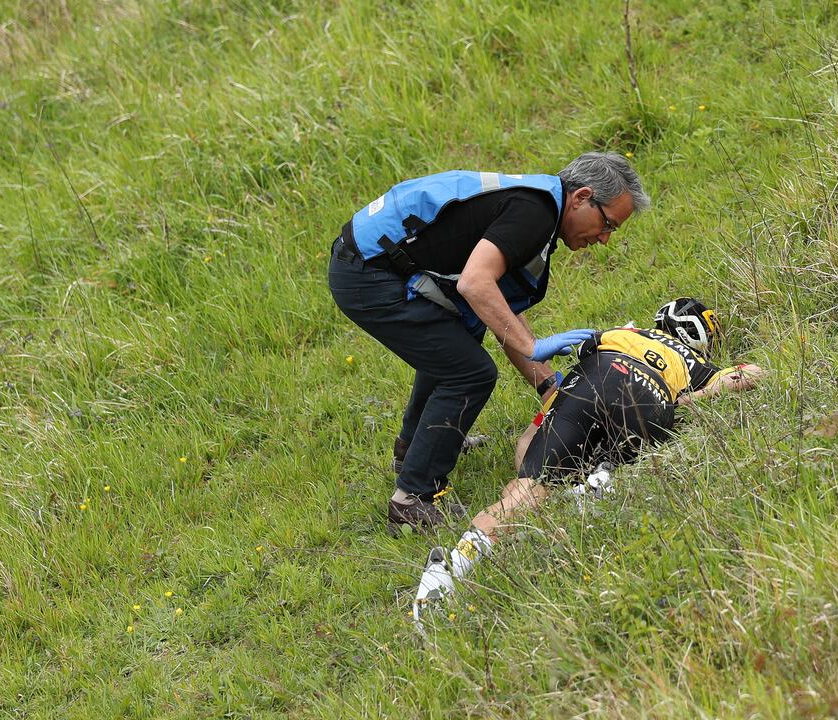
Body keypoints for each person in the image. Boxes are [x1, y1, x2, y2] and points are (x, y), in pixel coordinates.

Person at [328, 153, 651, 531]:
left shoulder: (538, 201)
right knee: (470, 373)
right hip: (367, 273)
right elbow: (475, 284)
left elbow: (497, 305)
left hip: (366, 259)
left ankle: (413, 451)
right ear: (581, 197)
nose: (605, 239)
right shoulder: (535, 215)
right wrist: (532, 348)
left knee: (460, 340)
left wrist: (548, 385)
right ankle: (412, 499)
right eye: (607, 223)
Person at [411, 297, 767, 625]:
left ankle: (450, 568)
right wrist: (687, 400)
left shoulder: (621, 332)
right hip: (651, 398)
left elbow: (530, 437)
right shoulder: (698, 363)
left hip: (593, 377)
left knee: (527, 487)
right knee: (630, 465)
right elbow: (752, 373)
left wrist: (535, 466)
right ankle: (596, 485)